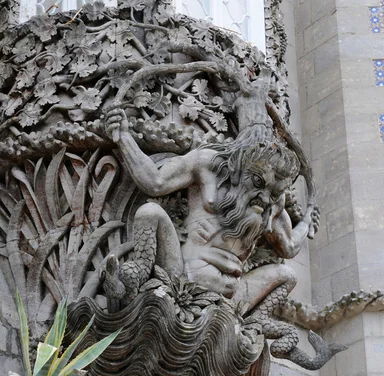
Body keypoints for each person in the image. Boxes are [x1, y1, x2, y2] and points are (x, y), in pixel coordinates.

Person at [104, 107, 319, 313]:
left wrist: (307, 220)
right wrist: (123, 136)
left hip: (231, 297)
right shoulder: (208, 165)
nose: (264, 197)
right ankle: (134, 281)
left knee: (287, 274)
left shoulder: (273, 203)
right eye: (258, 182)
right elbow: (155, 182)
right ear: (245, 161)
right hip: (182, 278)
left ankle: (251, 324)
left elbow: (288, 247)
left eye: (273, 192)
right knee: (149, 212)